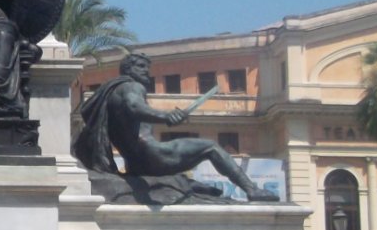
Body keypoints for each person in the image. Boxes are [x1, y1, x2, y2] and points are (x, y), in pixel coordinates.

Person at [73, 52, 279, 200]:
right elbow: (133, 107)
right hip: (153, 154)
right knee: (211, 147)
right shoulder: (131, 87)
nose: (147, 73)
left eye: (148, 69)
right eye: (141, 67)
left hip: (135, 163)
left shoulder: (111, 92)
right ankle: (251, 189)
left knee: (183, 181)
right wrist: (165, 116)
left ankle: (194, 188)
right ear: (128, 69)